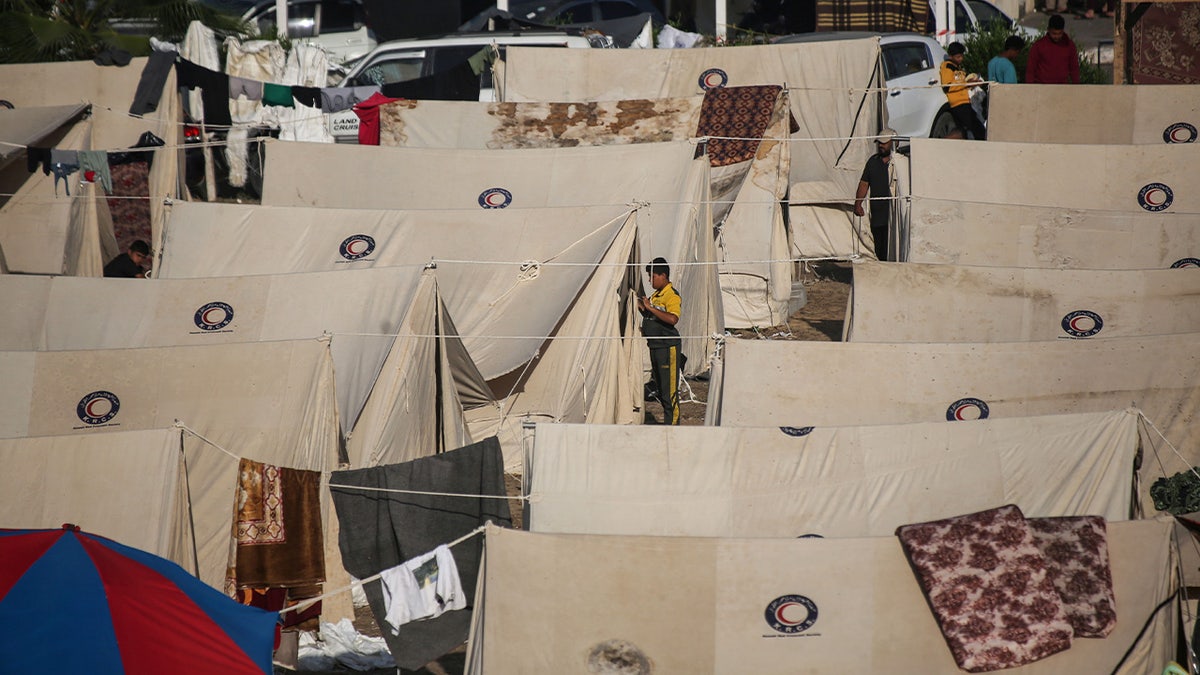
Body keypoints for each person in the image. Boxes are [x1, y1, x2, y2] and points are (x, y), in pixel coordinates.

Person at [639, 257, 683, 425]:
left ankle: (674, 429)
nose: (650, 280)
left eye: (652, 276)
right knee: (660, 390)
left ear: (663, 275)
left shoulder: (671, 295)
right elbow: (651, 314)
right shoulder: (656, 295)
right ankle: (667, 426)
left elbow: (672, 319)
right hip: (655, 347)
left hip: (667, 348)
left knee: (669, 392)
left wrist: (650, 308)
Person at [853, 129, 897, 261]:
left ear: (894, 143)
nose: (881, 146)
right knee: (880, 248)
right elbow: (864, 183)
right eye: (879, 143)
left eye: (884, 143)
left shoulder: (900, 162)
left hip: (895, 215)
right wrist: (858, 203)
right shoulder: (873, 161)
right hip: (878, 216)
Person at [940, 42, 987, 140]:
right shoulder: (948, 67)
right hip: (958, 103)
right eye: (958, 57)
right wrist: (967, 83)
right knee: (978, 129)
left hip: (965, 102)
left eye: (961, 56)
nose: (960, 59)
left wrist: (972, 84)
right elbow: (947, 86)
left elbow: (961, 84)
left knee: (963, 130)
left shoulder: (958, 67)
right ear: (950, 56)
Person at [1026, 15, 1081, 84]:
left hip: (1061, 88)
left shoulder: (1069, 46)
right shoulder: (1039, 46)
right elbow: (1030, 70)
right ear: (1048, 29)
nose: (1056, 37)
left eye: (1059, 33)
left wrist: (1077, 87)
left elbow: (1074, 69)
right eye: (1054, 33)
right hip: (1042, 88)